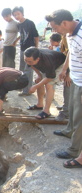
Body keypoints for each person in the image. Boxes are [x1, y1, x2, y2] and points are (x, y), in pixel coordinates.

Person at [45, 9, 82, 160]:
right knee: (72, 110)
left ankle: (74, 151)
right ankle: (69, 130)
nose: (54, 31)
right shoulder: (69, 33)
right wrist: (65, 70)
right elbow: (71, 54)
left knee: (80, 117)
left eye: (55, 28)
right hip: (75, 78)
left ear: (64, 23)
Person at [24, 47, 66, 119]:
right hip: (50, 65)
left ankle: (46, 111)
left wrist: (35, 87)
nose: (27, 62)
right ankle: (40, 104)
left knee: (49, 84)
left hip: (61, 64)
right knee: (39, 81)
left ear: (38, 59)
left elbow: (50, 77)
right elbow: (31, 65)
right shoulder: (29, 57)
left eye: (29, 61)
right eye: (26, 60)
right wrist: (39, 75)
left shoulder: (47, 61)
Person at [12, 6, 39, 96]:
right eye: (15, 15)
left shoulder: (30, 23)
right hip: (22, 48)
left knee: (28, 70)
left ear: (22, 13)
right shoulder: (19, 24)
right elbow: (22, 34)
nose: (16, 16)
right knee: (22, 69)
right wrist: (16, 41)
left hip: (30, 50)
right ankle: (22, 86)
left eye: (18, 14)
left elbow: (36, 36)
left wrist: (36, 48)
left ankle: (27, 90)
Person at [55, 34, 71, 121]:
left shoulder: (73, 37)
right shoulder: (65, 37)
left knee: (68, 86)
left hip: (75, 70)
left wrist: (68, 74)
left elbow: (73, 56)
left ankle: (66, 112)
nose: (55, 31)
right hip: (69, 67)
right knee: (67, 87)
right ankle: (66, 105)